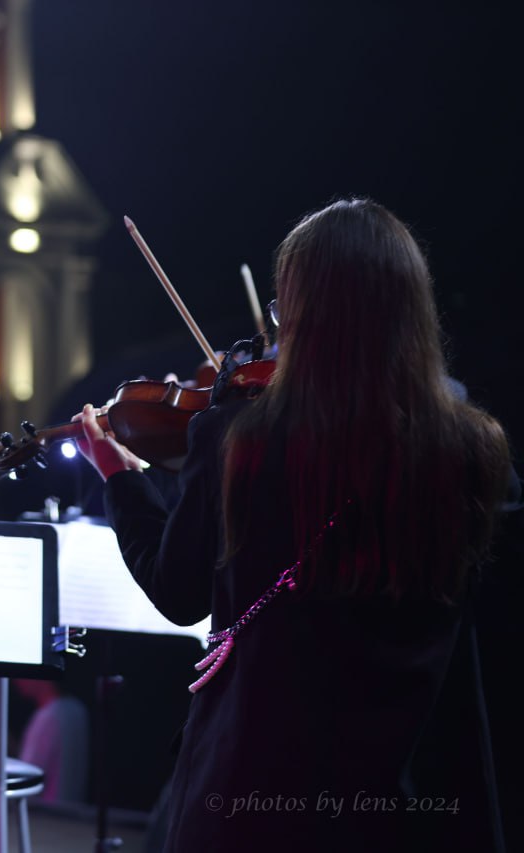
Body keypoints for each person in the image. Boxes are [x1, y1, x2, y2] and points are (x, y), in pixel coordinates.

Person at [72, 198, 516, 852]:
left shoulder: (240, 436)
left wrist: (118, 473)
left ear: (305, 312)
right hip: (401, 797)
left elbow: (178, 590)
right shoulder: (473, 453)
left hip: (253, 792)